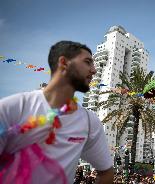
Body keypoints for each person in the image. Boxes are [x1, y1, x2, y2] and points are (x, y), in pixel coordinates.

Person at [0, 41, 114, 183]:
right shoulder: (14, 107)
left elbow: (107, 173)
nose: (94, 70)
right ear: (64, 63)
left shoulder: (90, 122)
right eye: (87, 62)